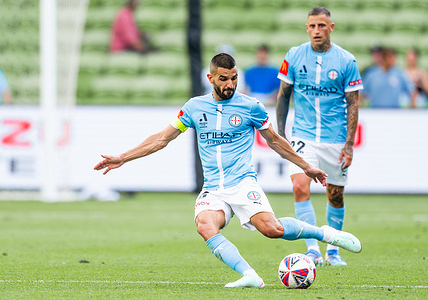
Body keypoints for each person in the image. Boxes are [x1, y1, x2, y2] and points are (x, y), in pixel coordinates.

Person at [94, 53, 362, 288]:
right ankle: (250, 275)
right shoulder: (194, 108)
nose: (230, 85)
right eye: (223, 79)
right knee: (205, 225)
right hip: (214, 188)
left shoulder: (250, 106)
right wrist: (124, 157)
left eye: (233, 78)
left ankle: (325, 234)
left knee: (272, 229)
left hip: (243, 183)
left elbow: (275, 140)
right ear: (210, 78)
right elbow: (162, 139)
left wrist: (306, 166)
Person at [276, 7, 363, 267]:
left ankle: (333, 251)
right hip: (302, 134)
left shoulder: (347, 61)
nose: (317, 30)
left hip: (335, 137)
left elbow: (353, 104)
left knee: (335, 194)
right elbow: (283, 95)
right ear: (307, 28)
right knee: (299, 186)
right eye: (312, 26)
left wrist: (349, 145)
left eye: (322, 26)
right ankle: (312, 249)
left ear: (331, 27)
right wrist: (281, 135)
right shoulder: (294, 55)